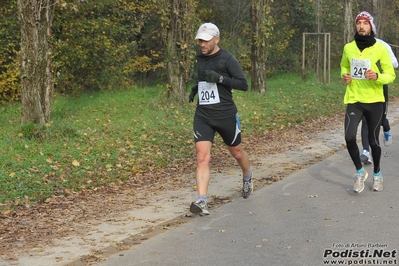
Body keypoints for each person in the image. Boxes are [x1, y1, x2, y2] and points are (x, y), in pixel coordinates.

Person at [188, 23, 252, 215]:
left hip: (225, 115)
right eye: (200, 39)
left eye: (206, 40)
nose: (202, 44)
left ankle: (247, 175)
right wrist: (196, 88)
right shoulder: (199, 57)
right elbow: (204, 79)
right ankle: (202, 201)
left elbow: (243, 84)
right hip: (203, 115)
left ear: (217, 39)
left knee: (237, 153)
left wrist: (221, 79)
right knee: (201, 157)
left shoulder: (227, 59)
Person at [340, 11, 396, 193]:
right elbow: (344, 65)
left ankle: (377, 174)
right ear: (355, 26)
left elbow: (391, 75)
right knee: (349, 137)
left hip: (374, 101)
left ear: (371, 26)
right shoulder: (349, 47)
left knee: (373, 141)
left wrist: (377, 76)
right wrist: (344, 75)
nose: (361, 26)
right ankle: (359, 172)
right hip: (355, 99)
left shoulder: (380, 48)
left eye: (365, 23)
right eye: (359, 23)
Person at [360, 38, 398, 165]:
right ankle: (366, 151)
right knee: (365, 120)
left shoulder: (383, 45)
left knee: (380, 118)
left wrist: (381, 67)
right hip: (365, 87)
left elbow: (395, 63)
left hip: (380, 85)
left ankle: (386, 126)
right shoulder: (359, 46)